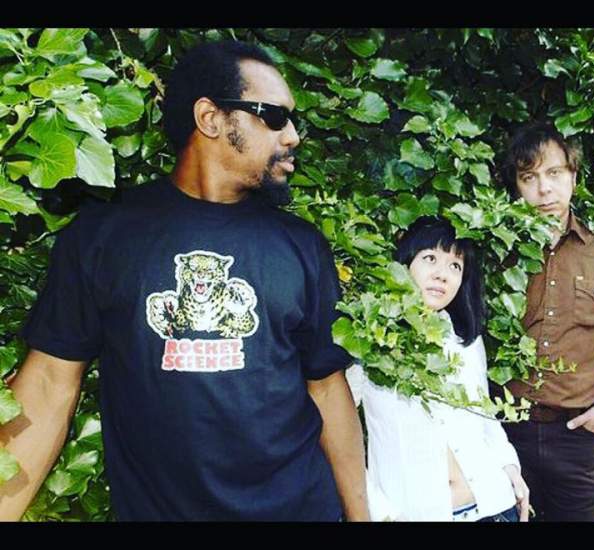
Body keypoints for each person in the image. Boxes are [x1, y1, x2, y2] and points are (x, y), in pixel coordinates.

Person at [0, 40, 368, 521]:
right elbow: (49, 386)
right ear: (210, 118)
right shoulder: (104, 237)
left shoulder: (301, 245)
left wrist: (361, 517)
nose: (293, 136)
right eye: (275, 117)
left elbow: (326, 388)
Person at [496, 123, 594, 521]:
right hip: (505, 431)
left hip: (577, 434)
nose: (544, 189)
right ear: (517, 185)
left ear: (574, 177)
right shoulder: (496, 249)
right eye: (529, 177)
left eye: (554, 173)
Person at [346, 216, 529, 522]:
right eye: (430, 258)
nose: (442, 275)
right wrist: (380, 512)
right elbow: (338, 437)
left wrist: (510, 468)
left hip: (493, 505)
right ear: (405, 264)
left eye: (455, 266)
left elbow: (484, 416)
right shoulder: (368, 343)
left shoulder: (465, 342)